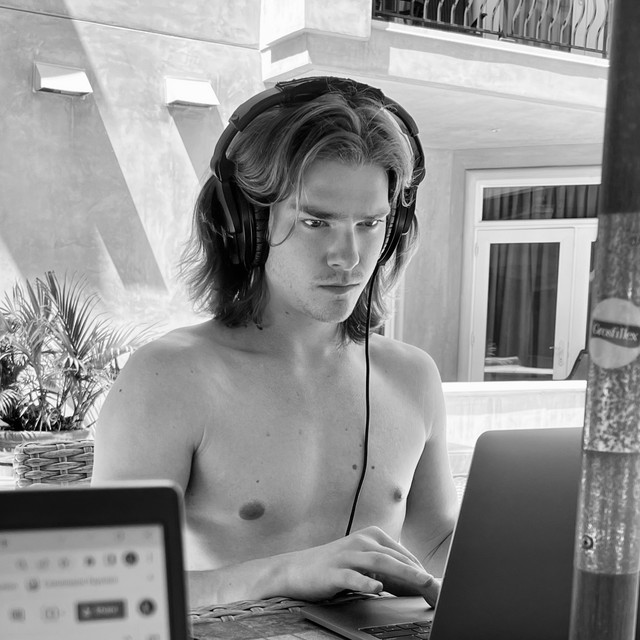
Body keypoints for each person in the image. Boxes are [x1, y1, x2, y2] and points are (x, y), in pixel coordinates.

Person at [92, 76, 459, 609]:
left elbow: (438, 544)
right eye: (315, 221)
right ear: (248, 225)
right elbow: (111, 585)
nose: (348, 256)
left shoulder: (412, 377)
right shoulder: (169, 379)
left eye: (370, 223)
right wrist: (283, 573)